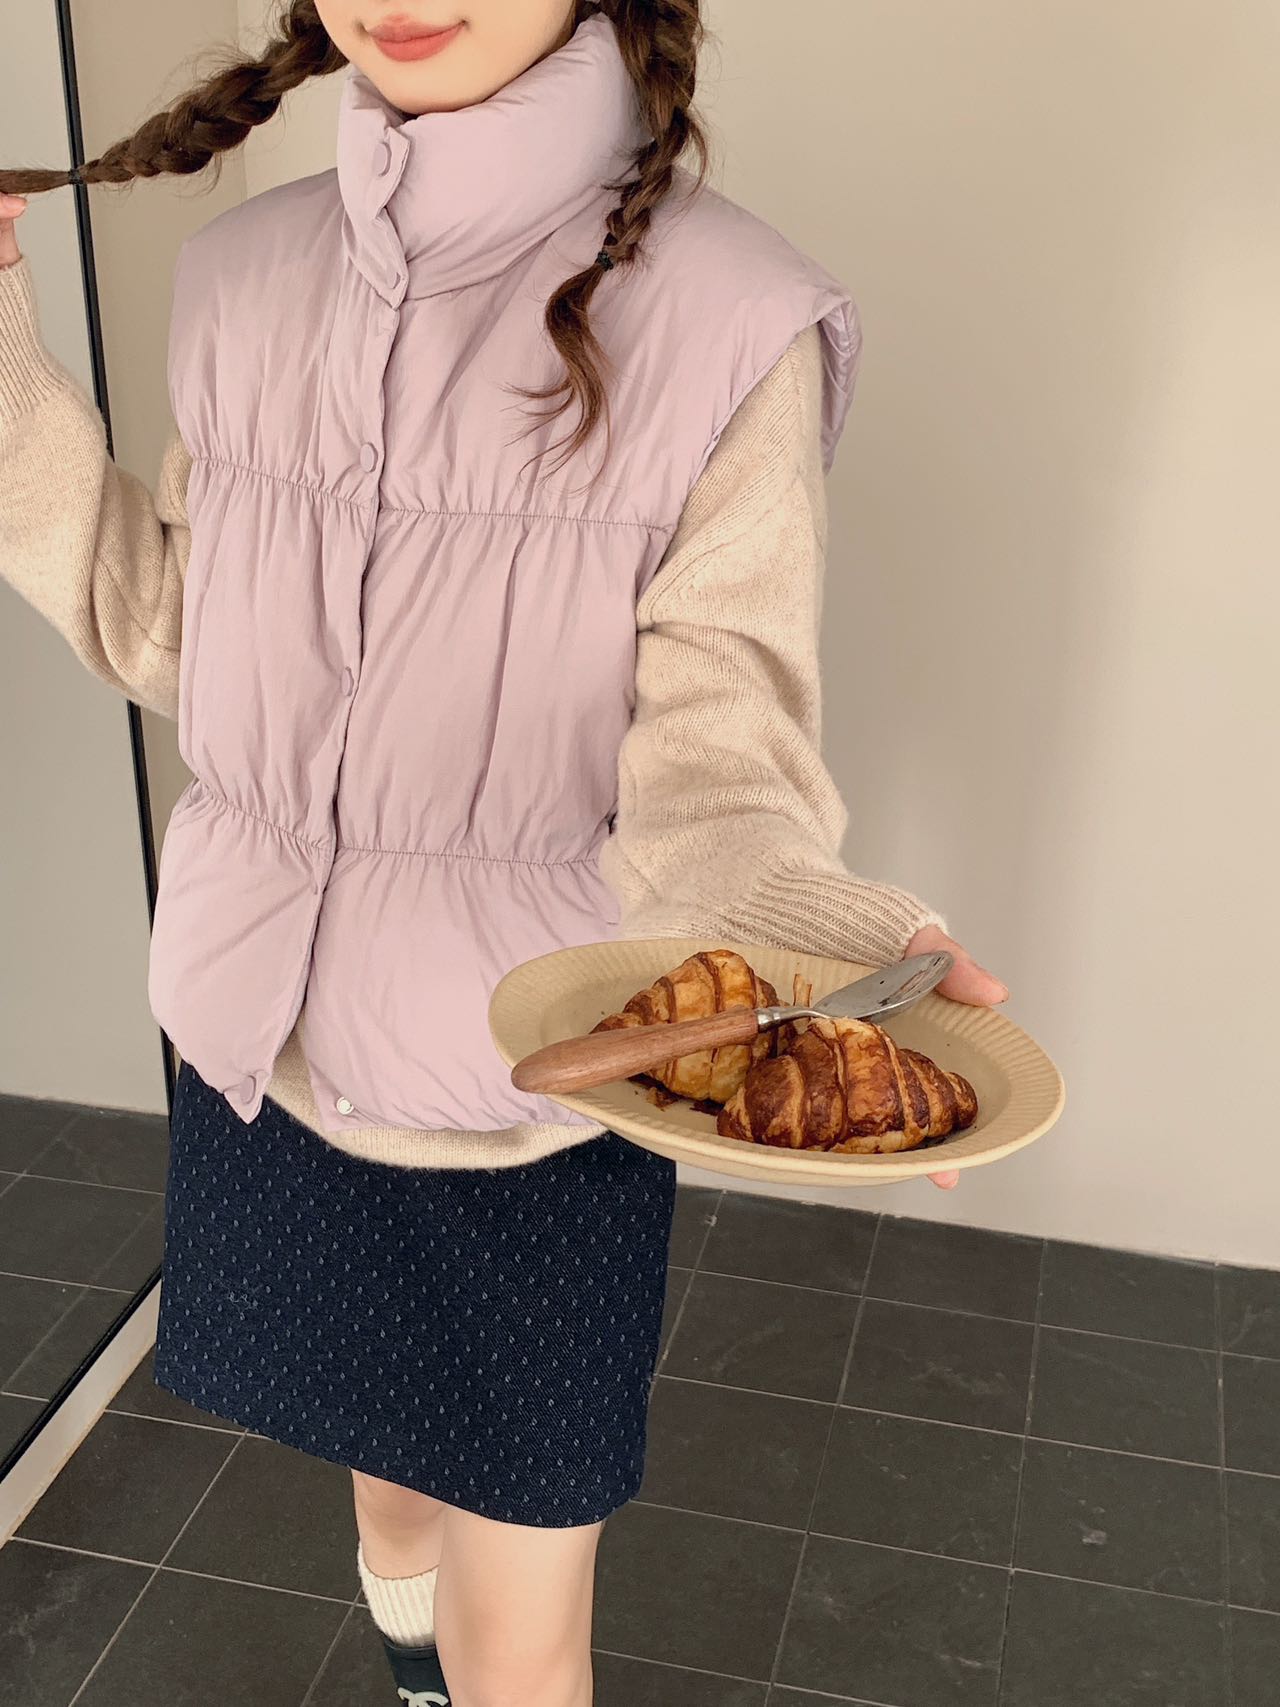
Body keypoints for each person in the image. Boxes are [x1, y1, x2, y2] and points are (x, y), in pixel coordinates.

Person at [0, 3, 1008, 1702]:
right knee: (385, 1474)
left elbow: (716, 751)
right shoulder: (243, 277)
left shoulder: (732, 316)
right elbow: (178, 631)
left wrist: (819, 936)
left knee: (528, 1608)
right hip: (267, 1046)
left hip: (533, 1090)